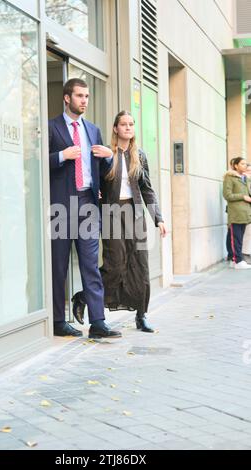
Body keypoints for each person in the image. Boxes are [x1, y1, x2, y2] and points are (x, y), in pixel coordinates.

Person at [73, 111, 167, 332]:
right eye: (123, 124)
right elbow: (94, 184)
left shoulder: (140, 156)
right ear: (115, 128)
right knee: (115, 265)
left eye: (131, 124)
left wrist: (158, 218)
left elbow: (147, 190)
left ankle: (141, 315)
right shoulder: (106, 153)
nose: (127, 127)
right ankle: (84, 297)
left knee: (141, 265)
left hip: (135, 215)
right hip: (112, 214)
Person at [49, 78, 122, 339]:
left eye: (87, 96)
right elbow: (36, 164)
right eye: (80, 96)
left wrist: (109, 157)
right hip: (61, 206)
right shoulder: (52, 127)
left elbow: (102, 170)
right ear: (67, 98)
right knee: (59, 265)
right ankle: (58, 320)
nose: (85, 101)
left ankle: (98, 322)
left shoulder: (93, 129)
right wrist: (61, 156)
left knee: (91, 264)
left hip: (88, 203)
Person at [223, 157, 251, 270]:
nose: (245, 166)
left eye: (246, 164)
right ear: (236, 165)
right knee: (236, 238)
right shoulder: (229, 178)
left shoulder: (245, 178)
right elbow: (227, 195)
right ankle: (238, 260)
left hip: (245, 213)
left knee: (239, 238)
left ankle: (234, 260)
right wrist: (243, 196)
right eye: (242, 164)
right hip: (235, 213)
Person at [242, 163, 251, 264]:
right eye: (248, 171)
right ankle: (245, 255)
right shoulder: (243, 181)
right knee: (247, 233)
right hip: (244, 211)